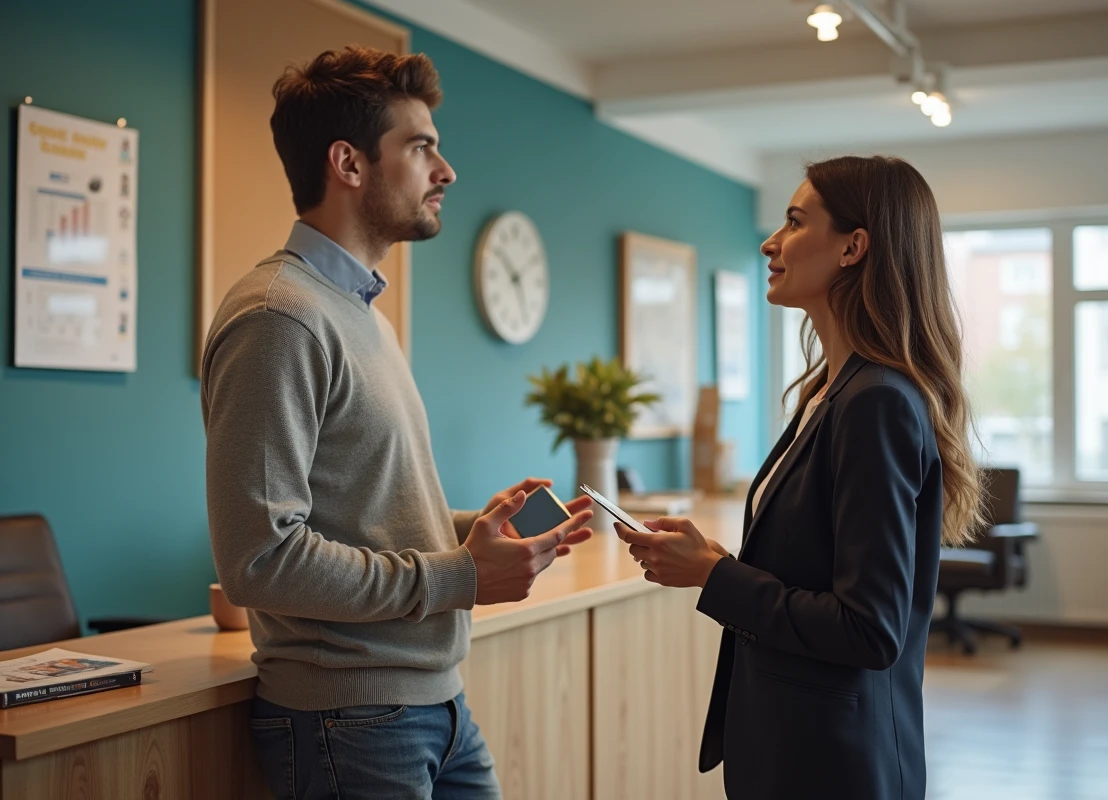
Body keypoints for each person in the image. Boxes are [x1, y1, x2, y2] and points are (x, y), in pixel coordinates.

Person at [200, 47, 594, 800]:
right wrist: (462, 574)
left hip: (431, 706)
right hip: (347, 720)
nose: (446, 172)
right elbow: (259, 559)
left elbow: (364, 514)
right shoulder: (279, 317)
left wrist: (478, 529)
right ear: (348, 163)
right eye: (421, 148)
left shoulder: (363, 316)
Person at [616, 155, 983, 799]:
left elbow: (868, 628)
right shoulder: (832, 393)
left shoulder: (876, 401)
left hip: (834, 763)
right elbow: (815, 570)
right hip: (793, 744)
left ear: (853, 247)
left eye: (792, 221)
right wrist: (711, 558)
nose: (770, 241)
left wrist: (712, 576)